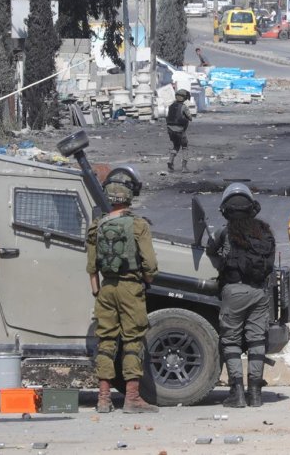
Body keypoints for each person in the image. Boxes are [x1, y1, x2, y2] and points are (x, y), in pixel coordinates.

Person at [87, 169, 159, 413]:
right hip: (130, 287)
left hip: (106, 288)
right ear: (129, 197)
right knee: (132, 341)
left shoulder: (97, 226)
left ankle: (103, 399)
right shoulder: (138, 225)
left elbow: (91, 268)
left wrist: (99, 291)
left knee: (106, 341)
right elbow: (150, 265)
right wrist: (145, 280)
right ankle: (132, 398)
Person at [206, 184, 276, 408]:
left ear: (226, 210)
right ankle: (255, 393)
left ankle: (237, 393)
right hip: (259, 293)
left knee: (231, 341)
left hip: (234, 291)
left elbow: (210, 252)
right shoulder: (264, 231)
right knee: (257, 341)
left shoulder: (224, 232)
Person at [166, 89, 193, 172]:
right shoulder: (184, 107)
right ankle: (184, 167)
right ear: (184, 98)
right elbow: (190, 118)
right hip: (180, 130)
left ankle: (170, 161)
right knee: (184, 147)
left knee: (176, 146)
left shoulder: (171, 106)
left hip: (170, 129)